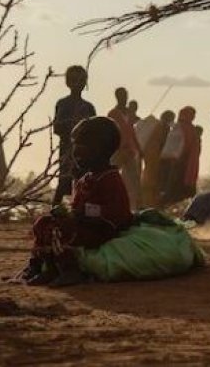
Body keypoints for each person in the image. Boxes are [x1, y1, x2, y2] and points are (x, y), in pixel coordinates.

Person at [22, 116, 132, 286]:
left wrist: (83, 212)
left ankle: (69, 270)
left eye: (82, 148)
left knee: (60, 230)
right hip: (83, 224)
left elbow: (118, 212)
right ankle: (39, 266)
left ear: (100, 150)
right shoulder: (86, 178)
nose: (76, 153)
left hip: (101, 230)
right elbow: (76, 204)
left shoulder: (110, 179)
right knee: (43, 223)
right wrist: (65, 211)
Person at [52, 66, 96, 206]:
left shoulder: (89, 107)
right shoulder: (63, 104)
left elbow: (96, 131)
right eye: (74, 80)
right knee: (64, 181)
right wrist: (72, 126)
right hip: (67, 149)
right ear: (68, 82)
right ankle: (55, 213)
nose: (77, 83)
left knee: (85, 183)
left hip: (85, 152)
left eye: (81, 80)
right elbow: (57, 128)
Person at [108, 87, 142, 210]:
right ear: (117, 97)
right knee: (112, 176)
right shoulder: (113, 113)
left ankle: (134, 207)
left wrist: (138, 148)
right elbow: (111, 132)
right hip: (117, 150)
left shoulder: (129, 114)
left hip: (130, 151)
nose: (124, 98)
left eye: (125, 95)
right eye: (122, 95)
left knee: (134, 180)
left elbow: (132, 132)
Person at [138, 110, 175, 209]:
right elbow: (163, 143)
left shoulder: (157, 126)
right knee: (154, 183)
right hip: (156, 158)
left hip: (150, 157)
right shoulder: (164, 127)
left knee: (149, 181)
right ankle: (152, 207)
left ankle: (148, 205)